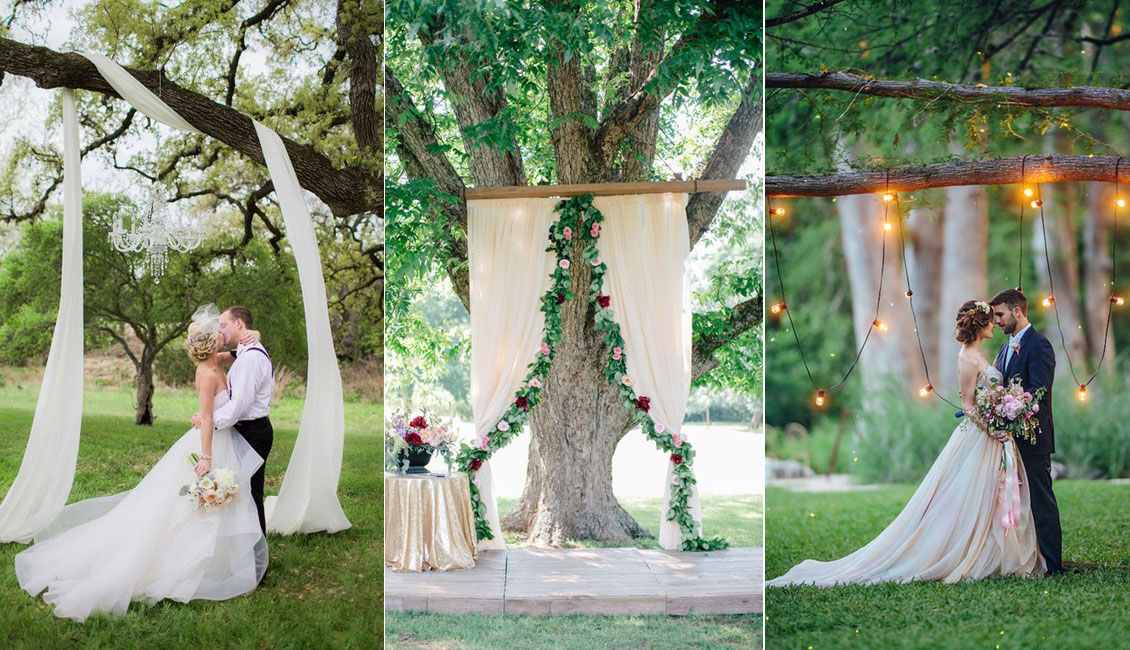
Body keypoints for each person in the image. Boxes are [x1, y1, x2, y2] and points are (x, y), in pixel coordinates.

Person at [13, 305, 267, 622]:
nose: (221, 334)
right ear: (209, 343)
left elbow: (238, 353)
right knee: (193, 507)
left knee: (219, 505)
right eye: (216, 332)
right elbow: (205, 419)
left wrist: (251, 339)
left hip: (225, 437)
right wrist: (206, 458)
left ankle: (224, 558)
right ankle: (192, 562)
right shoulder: (205, 373)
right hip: (211, 443)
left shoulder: (216, 360)